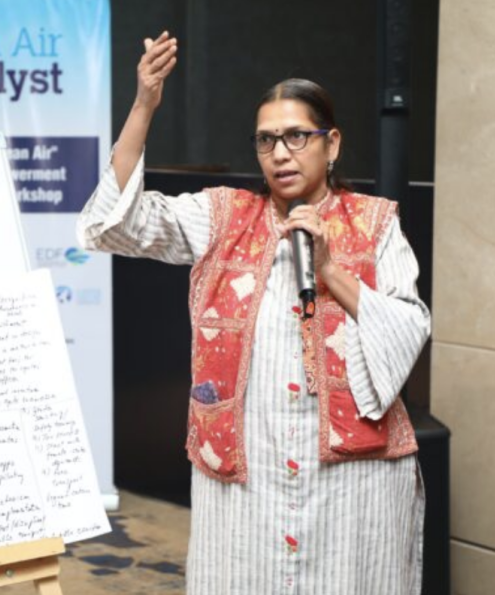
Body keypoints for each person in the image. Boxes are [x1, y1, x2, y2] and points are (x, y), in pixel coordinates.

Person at [77, 31, 430, 595]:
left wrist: (331, 270)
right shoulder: (224, 217)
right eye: (267, 141)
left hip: (349, 484)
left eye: (296, 137)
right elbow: (113, 226)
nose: (281, 153)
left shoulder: (377, 224)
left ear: (331, 144)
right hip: (250, 479)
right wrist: (145, 102)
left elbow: (409, 332)